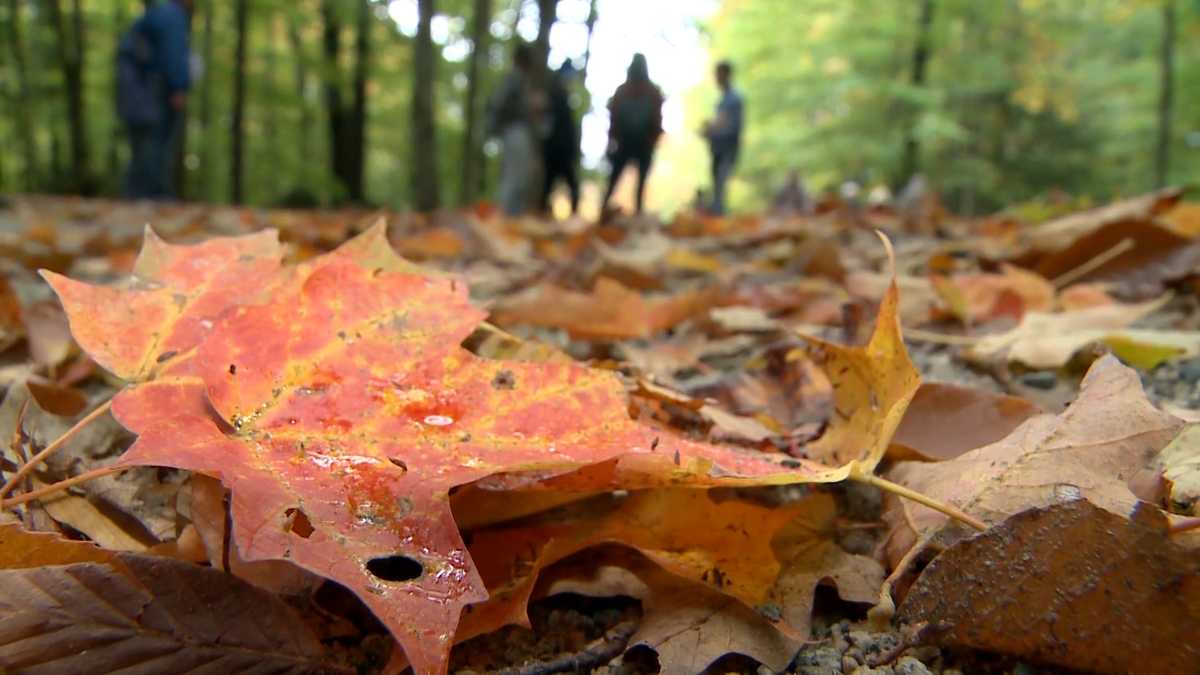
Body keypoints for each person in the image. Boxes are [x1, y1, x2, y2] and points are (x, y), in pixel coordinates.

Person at [117, 0, 193, 200]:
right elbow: (173, 52)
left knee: (143, 142)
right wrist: (178, 86)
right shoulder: (173, 16)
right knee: (156, 141)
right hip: (154, 88)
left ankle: (137, 193)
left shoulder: (156, 13)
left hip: (136, 88)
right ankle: (155, 194)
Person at [601, 54, 664, 216]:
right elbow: (613, 119)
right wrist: (611, 142)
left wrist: (652, 139)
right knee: (616, 179)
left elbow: (657, 119)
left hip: (641, 143)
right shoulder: (625, 91)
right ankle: (605, 211)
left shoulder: (649, 92)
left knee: (638, 183)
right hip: (627, 142)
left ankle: (637, 212)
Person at [487, 43, 539, 217]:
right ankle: (504, 215)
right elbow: (499, 104)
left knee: (520, 176)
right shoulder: (515, 79)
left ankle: (512, 216)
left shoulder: (519, 80)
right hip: (515, 130)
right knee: (514, 177)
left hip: (516, 131)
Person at [702, 61, 744, 216]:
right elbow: (721, 123)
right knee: (717, 183)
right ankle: (717, 213)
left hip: (727, 147)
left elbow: (730, 126)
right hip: (718, 148)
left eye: (718, 74)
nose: (716, 78)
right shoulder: (724, 99)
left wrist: (711, 130)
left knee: (720, 182)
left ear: (726, 75)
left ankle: (719, 216)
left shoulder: (733, 99)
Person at [539, 62, 581, 216]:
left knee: (559, 186)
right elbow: (547, 125)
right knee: (549, 187)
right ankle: (543, 214)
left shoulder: (560, 96)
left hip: (559, 151)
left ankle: (572, 217)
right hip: (557, 151)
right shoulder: (555, 96)